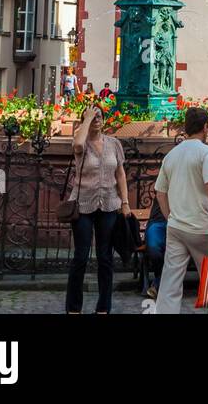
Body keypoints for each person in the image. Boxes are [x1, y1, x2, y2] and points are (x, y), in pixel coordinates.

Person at [154, 106, 208, 314]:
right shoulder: (207, 153)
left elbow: (160, 191)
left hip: (177, 226)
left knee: (170, 283)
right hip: (202, 227)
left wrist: (169, 216)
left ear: (186, 127)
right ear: (206, 127)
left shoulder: (171, 155)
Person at [65, 104, 130, 314]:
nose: (97, 120)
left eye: (99, 116)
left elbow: (120, 174)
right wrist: (86, 118)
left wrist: (125, 201)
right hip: (83, 204)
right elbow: (76, 145)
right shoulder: (81, 142)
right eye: (93, 117)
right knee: (81, 257)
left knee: (105, 258)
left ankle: (103, 308)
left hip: (109, 204)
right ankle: (73, 308)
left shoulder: (114, 144)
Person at [144, 198, 167, 299]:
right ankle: (160, 281)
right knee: (154, 250)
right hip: (157, 222)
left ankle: (157, 284)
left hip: (179, 224)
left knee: (177, 252)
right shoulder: (164, 182)